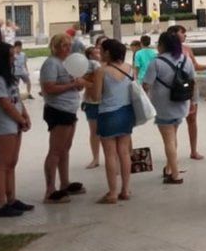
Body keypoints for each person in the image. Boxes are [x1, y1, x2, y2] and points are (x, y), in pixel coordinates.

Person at [0, 41, 34, 217]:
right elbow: (5, 104)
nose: (14, 58)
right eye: (11, 55)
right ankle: (1, 204)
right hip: (4, 126)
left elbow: (16, 99)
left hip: (15, 124)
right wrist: (20, 119)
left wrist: (25, 115)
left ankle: (11, 199)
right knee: (3, 165)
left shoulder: (9, 77)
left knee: (12, 163)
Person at [40, 32, 88, 204]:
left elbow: (74, 83)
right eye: (64, 45)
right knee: (56, 150)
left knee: (65, 148)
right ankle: (50, 189)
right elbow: (49, 88)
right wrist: (72, 84)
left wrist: (78, 85)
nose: (68, 48)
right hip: (57, 109)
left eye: (69, 45)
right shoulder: (51, 64)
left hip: (69, 109)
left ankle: (65, 182)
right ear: (55, 47)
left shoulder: (68, 63)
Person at [145, 31, 194, 184]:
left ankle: (175, 174)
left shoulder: (156, 62)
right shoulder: (186, 59)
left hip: (163, 106)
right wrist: (193, 102)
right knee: (172, 137)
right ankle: (169, 168)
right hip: (181, 103)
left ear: (162, 45)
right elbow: (193, 81)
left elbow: (146, 84)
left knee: (169, 140)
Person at [91, 39, 136, 204]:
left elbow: (96, 97)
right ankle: (126, 189)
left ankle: (112, 193)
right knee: (124, 152)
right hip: (126, 113)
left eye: (102, 50)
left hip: (108, 114)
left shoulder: (101, 71)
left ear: (108, 53)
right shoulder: (130, 69)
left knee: (110, 154)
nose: (100, 53)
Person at [168, 24, 205, 161]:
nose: (185, 35)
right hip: (175, 87)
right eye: (182, 32)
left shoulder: (187, 49)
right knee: (174, 122)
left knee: (192, 119)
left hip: (190, 85)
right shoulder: (166, 51)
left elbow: (195, 66)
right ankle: (172, 153)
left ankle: (193, 150)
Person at [82, 45, 103, 170]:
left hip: (104, 102)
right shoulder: (88, 66)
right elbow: (83, 83)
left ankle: (111, 158)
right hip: (92, 102)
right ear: (90, 55)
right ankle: (96, 158)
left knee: (105, 132)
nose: (99, 53)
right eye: (96, 52)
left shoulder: (107, 66)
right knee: (94, 131)